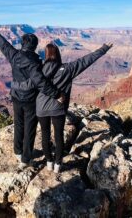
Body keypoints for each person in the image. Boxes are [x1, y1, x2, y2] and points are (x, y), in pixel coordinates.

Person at [0, 19, 64, 168]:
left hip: (15, 97)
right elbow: (40, 82)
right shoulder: (34, 62)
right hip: (29, 100)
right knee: (30, 129)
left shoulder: (14, 55)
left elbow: (3, 44)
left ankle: (18, 151)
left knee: (18, 124)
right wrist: (56, 94)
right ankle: (25, 159)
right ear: (34, 46)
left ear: (23, 44)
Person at [36, 42, 113, 173]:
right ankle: (57, 165)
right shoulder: (68, 68)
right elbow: (86, 60)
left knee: (45, 135)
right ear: (58, 54)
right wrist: (104, 48)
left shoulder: (38, 69)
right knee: (58, 136)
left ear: (46, 55)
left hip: (41, 107)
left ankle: (49, 161)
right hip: (58, 108)